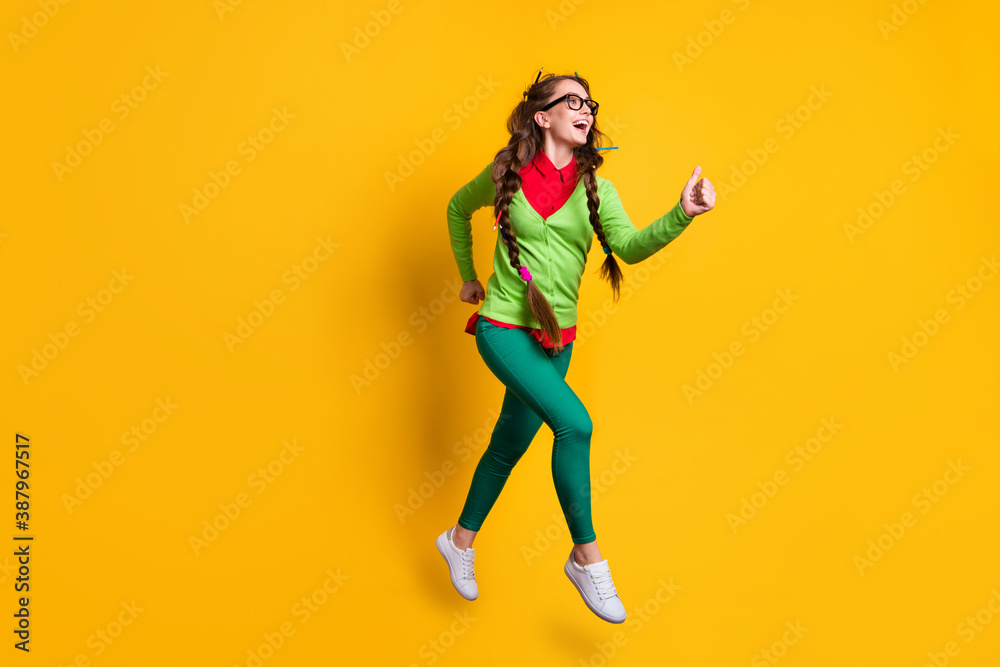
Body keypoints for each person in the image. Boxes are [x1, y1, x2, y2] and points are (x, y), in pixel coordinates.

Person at [436, 70, 716, 623]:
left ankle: (458, 542)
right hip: (502, 329)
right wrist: (467, 275)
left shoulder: (597, 190)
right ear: (543, 117)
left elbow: (631, 248)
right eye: (572, 102)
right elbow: (454, 208)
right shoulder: (503, 174)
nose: (585, 110)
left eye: (589, 103)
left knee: (506, 447)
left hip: (555, 339)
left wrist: (683, 213)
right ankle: (587, 559)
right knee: (576, 425)